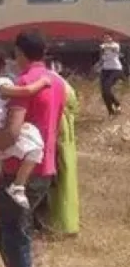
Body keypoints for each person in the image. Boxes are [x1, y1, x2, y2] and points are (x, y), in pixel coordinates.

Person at [0, 30, 65, 267]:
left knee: (13, 239)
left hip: (20, 171)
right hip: (45, 167)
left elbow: (13, 131)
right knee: (13, 235)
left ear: (19, 53)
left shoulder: (24, 83)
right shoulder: (56, 81)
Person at [0, 49, 50, 215]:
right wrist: (43, 82)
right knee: (35, 148)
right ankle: (19, 186)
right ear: (2, 67)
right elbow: (27, 91)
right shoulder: (1, 85)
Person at [48, 70, 80, 236]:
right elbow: (75, 106)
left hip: (56, 132)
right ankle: (69, 224)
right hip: (68, 136)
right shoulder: (62, 82)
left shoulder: (47, 80)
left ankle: (58, 223)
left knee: (56, 184)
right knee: (68, 181)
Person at [97, 33, 123, 116]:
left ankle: (117, 104)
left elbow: (115, 49)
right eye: (104, 38)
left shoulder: (115, 45)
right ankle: (111, 111)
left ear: (111, 38)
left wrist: (105, 46)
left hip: (115, 69)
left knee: (106, 87)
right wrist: (97, 65)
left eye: (108, 37)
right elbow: (102, 58)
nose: (107, 39)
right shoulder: (102, 48)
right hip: (105, 70)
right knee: (104, 92)